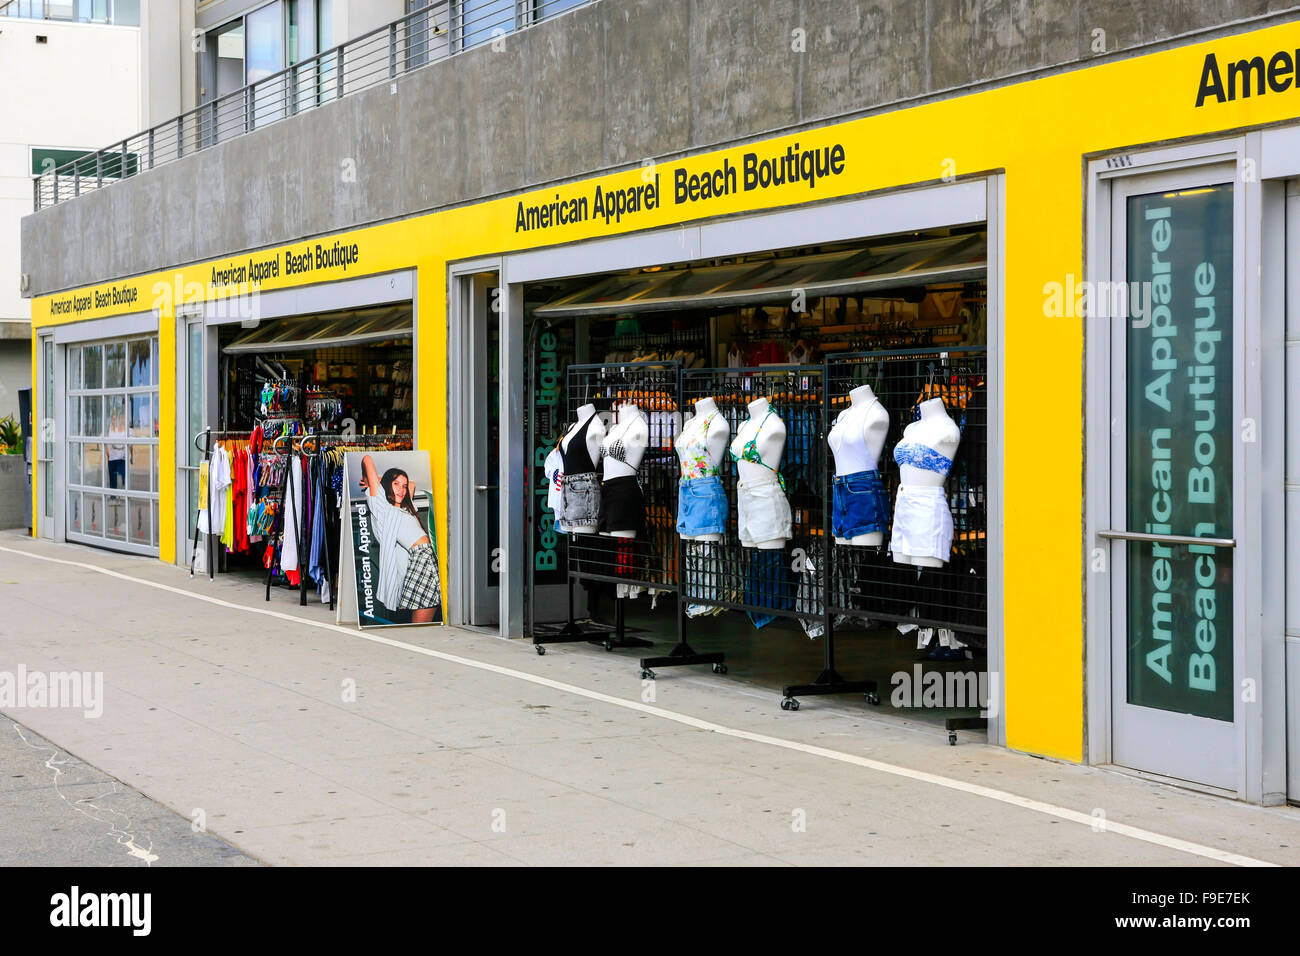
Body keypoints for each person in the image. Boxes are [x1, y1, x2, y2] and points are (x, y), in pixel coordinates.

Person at [359, 454, 439, 623]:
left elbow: (412, 484)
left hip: (426, 558)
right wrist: (371, 480)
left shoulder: (405, 508)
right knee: (427, 609)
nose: (401, 489)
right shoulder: (383, 509)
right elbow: (367, 459)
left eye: (402, 486)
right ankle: (417, 644)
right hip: (420, 558)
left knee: (428, 608)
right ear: (387, 486)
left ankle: (416, 643)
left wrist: (390, 482)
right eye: (396, 484)